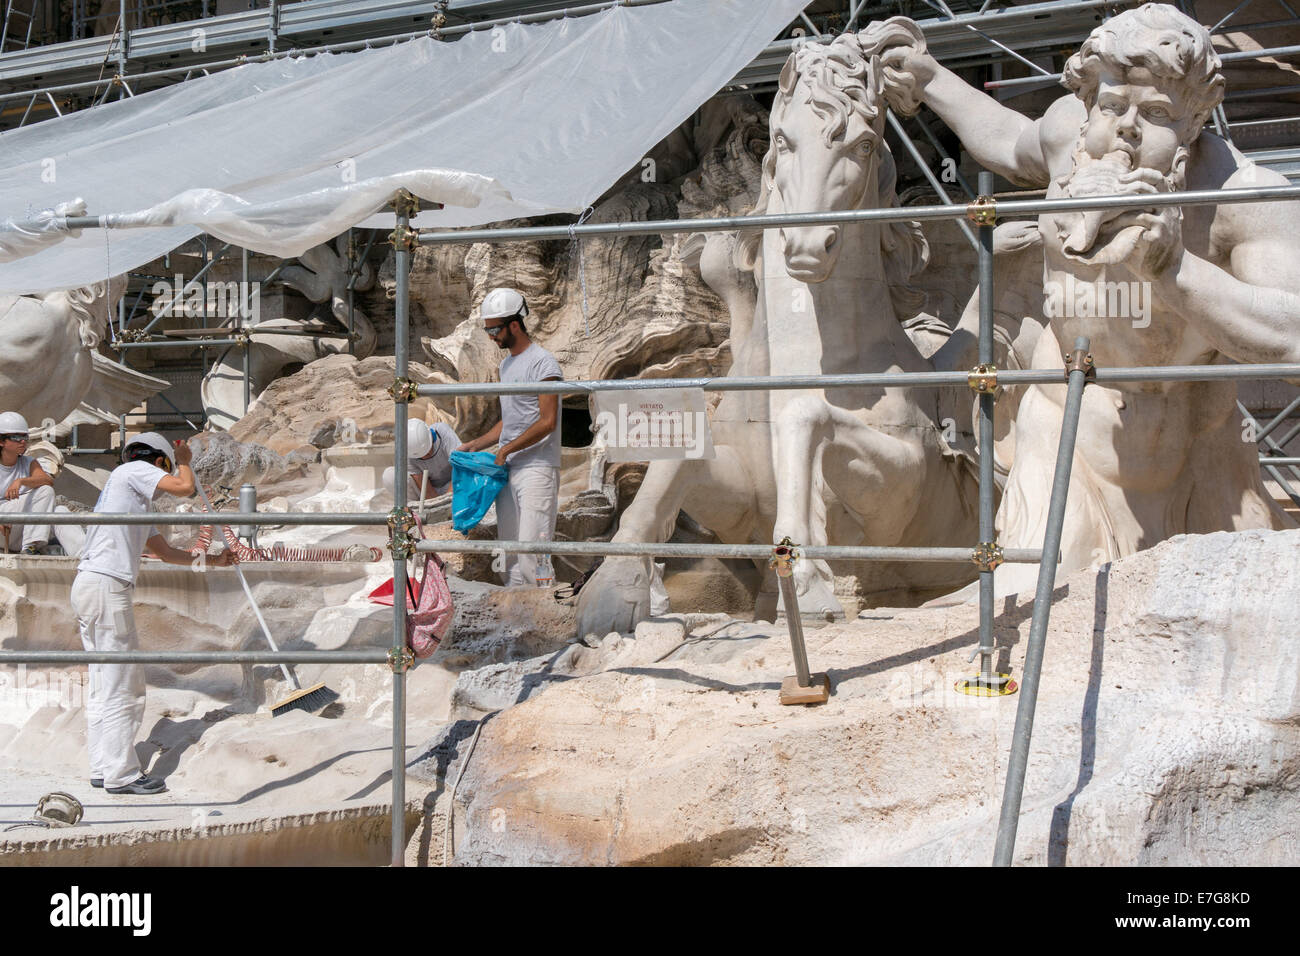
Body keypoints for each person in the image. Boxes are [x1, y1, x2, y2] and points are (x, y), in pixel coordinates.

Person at [878, 3, 1300, 592]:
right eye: (1111, 105)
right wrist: (931, 80)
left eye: (1155, 113)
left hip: (1195, 445)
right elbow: (1003, 139)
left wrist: (1172, 268)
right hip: (1065, 422)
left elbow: (1293, 340)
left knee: (1218, 608)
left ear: (1195, 122)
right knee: (1034, 602)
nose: (1125, 128)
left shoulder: (1243, 197)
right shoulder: (1066, 134)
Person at [72, 432, 235, 795]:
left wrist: (215, 560)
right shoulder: (132, 472)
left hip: (92, 586)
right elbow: (182, 487)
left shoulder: (132, 502)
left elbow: (166, 553)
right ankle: (122, 775)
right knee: (124, 685)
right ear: (157, 461)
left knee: (104, 682)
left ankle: (103, 767)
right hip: (106, 587)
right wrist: (185, 459)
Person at [457, 288, 563, 586]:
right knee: (511, 554)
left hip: (537, 468)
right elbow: (511, 418)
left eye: (494, 329)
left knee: (533, 551)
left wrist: (505, 451)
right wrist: (478, 444)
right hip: (509, 469)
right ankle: (518, 622)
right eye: (487, 328)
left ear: (515, 324)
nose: (491, 336)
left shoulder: (544, 363)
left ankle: (548, 622)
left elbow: (548, 421)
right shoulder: (505, 366)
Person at [0, 410, 84, 556]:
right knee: (44, 491)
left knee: (61, 512)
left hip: (23, 529)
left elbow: (47, 481)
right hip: (3, 528)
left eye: (24, 437)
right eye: (16, 437)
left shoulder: (28, 462)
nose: (23, 441)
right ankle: (32, 546)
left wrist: (21, 481)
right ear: (1, 441)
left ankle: (86, 558)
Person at [382, 418, 461, 502]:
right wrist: (436, 504)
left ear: (432, 437)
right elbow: (426, 490)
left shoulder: (442, 432)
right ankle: (417, 507)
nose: (424, 458)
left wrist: (448, 498)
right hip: (430, 489)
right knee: (389, 475)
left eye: (427, 453)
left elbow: (460, 466)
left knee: (471, 470)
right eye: (420, 457)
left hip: (455, 483)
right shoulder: (407, 452)